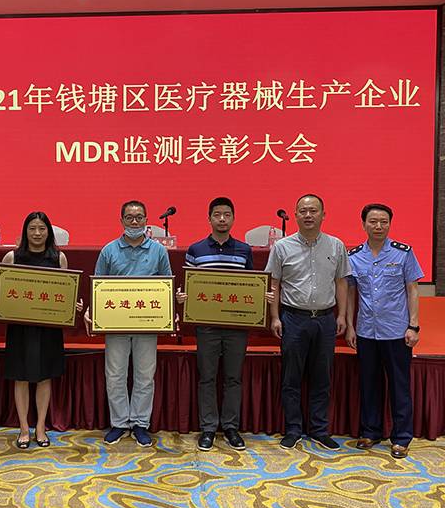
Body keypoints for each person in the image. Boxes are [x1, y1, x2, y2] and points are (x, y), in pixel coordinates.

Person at [179, 197, 274, 451]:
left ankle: (231, 427)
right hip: (206, 326)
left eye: (227, 215)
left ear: (233, 218)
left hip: (236, 325)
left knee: (233, 377)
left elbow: (251, 284)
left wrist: (262, 296)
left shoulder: (244, 250)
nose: (222, 219)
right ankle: (209, 428)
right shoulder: (196, 249)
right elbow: (189, 283)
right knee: (207, 378)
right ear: (209, 218)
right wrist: (182, 296)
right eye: (217, 214)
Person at [267, 194, 351, 451]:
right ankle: (293, 429)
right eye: (303, 211)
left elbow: (341, 282)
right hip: (293, 318)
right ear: (295, 216)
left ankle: (318, 429)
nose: (308, 215)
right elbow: (274, 283)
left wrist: (342, 315)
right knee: (291, 377)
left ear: (323, 215)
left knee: (322, 377)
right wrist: (274, 317)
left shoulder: (336, 245)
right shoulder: (282, 247)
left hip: (325, 319)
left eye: (313, 211)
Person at [0, 212, 83, 449]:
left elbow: (65, 291)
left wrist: (72, 304)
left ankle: (41, 427)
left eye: (42, 228)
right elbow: (3, 292)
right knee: (21, 377)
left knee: (44, 377)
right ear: (25, 231)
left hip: (47, 328)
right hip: (20, 327)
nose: (37, 233)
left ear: (48, 232)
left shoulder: (58, 257)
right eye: (32, 228)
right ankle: (24, 428)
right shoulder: (12, 257)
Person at [88, 200, 172, 448]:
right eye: (129, 218)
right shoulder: (109, 251)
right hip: (116, 323)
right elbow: (98, 286)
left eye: (139, 217)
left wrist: (170, 313)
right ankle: (119, 423)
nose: (134, 222)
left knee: (145, 375)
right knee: (115, 375)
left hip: (147, 323)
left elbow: (166, 285)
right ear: (121, 221)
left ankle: (139, 423)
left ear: (146, 220)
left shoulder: (159, 251)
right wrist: (93, 312)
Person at [345, 203, 423, 459]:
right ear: (363, 224)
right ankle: (370, 431)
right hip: (366, 331)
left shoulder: (403, 253)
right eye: (373, 221)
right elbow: (351, 293)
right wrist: (350, 326)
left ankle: (401, 437)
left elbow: (412, 290)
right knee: (368, 384)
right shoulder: (354, 256)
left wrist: (413, 325)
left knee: (399, 385)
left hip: (396, 331)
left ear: (390, 224)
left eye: (383, 222)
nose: (378, 226)